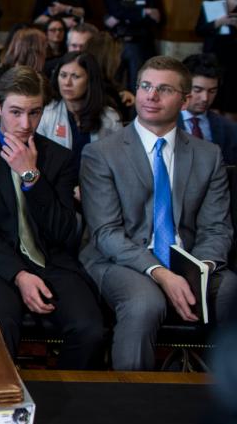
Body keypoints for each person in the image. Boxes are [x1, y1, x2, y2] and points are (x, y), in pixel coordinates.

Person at [80, 56, 236, 371]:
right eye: (146, 87)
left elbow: (217, 229)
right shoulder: (101, 154)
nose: (151, 96)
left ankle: (222, 403)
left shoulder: (208, 155)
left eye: (164, 89)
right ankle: (133, 404)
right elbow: (107, 234)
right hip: (121, 259)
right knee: (145, 303)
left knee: (230, 289)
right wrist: (163, 274)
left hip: (189, 257)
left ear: (185, 99)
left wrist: (199, 271)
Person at [0, 66, 104, 368]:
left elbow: (63, 231)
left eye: (34, 113)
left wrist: (31, 177)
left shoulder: (59, 158)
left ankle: (66, 400)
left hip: (50, 260)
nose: (25, 123)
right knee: (0, 326)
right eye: (16, 112)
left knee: (91, 331)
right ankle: (0, 404)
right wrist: (20, 275)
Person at [37, 51, 122, 173]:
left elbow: (118, 162)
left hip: (98, 186)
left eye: (75, 77)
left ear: (90, 81)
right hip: (57, 186)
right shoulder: (46, 114)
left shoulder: (109, 118)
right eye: (63, 75)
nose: (67, 83)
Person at [103, 0, 164, 92]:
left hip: (141, 44)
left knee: (138, 85)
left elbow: (154, 20)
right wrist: (144, 12)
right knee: (113, 84)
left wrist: (123, 15)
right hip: (116, 43)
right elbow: (115, 10)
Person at [179, 53, 237, 164]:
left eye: (212, 91)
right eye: (197, 90)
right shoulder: (161, 123)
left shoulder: (229, 129)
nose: (205, 98)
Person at [195, 0, 237, 115]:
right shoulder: (212, 0)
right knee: (214, 95)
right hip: (214, 54)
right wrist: (218, 22)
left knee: (232, 99)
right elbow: (199, 29)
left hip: (234, 57)